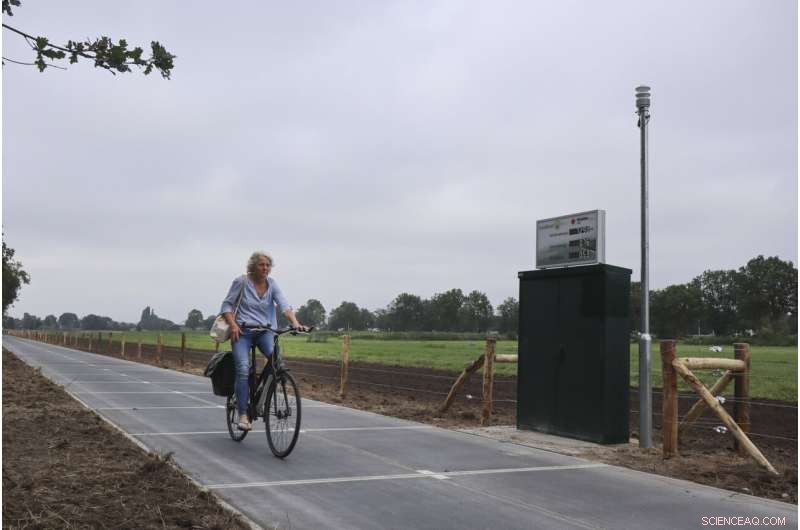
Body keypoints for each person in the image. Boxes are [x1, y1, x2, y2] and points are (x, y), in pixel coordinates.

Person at [220, 251, 308, 431]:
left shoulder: (272, 284)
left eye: (268, 265)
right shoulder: (241, 282)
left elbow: (284, 304)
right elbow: (226, 306)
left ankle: (263, 397)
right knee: (243, 369)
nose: (265, 268)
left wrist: (295, 323)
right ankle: (244, 414)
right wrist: (233, 325)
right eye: (262, 265)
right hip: (242, 332)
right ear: (253, 266)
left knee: (277, 361)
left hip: (265, 331)